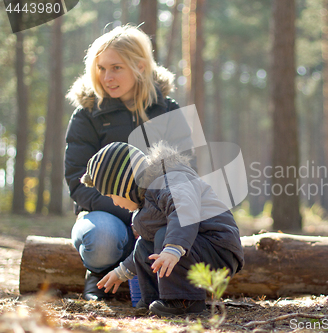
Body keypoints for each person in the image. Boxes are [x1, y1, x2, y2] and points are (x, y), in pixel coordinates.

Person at [64, 25, 185, 301]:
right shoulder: (87, 114)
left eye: (116, 67)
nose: (107, 77)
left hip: (159, 213)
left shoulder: (169, 110)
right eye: (101, 68)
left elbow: (184, 173)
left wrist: (148, 215)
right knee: (103, 238)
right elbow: (77, 181)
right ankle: (99, 276)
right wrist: (128, 214)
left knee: (178, 232)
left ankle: (163, 289)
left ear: (140, 66)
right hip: (104, 214)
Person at [80, 141, 244, 316]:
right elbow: (146, 249)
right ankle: (154, 299)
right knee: (144, 244)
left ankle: (184, 301)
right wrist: (122, 271)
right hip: (196, 248)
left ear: (124, 185)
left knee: (163, 236)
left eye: (112, 195)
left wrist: (173, 248)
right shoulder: (147, 200)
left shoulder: (170, 180)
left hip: (217, 249)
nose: (114, 203)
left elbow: (184, 210)